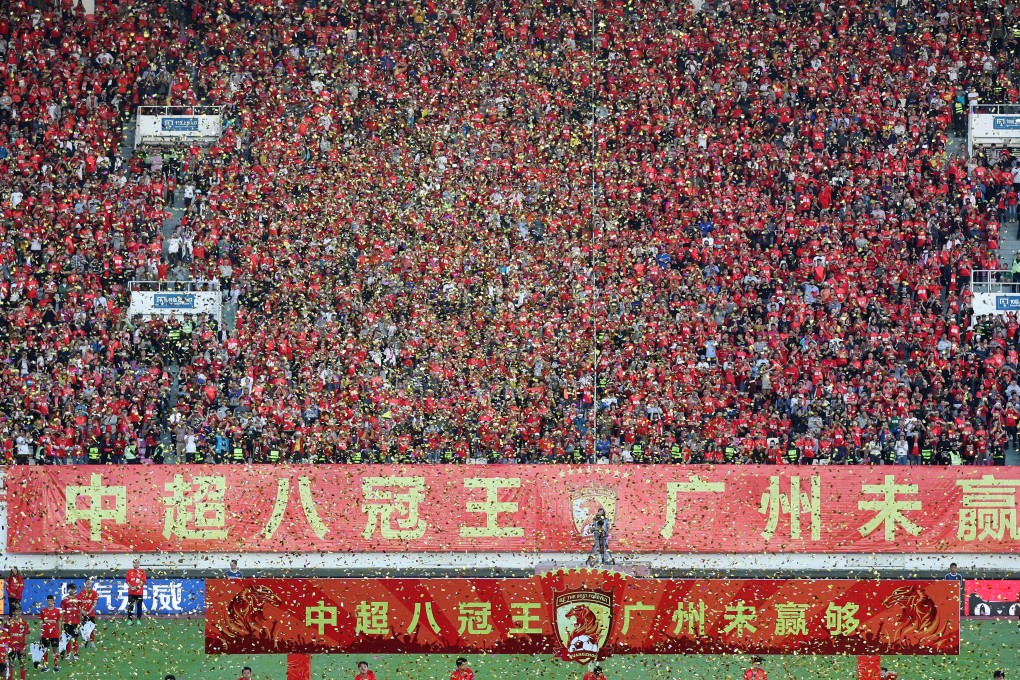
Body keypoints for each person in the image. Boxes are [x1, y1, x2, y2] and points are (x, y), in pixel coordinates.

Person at [39, 595, 61, 673]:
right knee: (45, 650)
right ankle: (45, 666)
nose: (49, 602)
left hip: (54, 634)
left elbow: (59, 622)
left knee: (55, 650)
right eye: (48, 600)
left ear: (54, 601)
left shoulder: (57, 611)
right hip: (45, 634)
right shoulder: (43, 611)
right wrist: (40, 632)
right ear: (47, 601)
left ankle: (56, 666)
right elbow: (41, 622)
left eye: (51, 600)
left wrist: (60, 633)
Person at [61, 583, 83, 661]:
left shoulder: (78, 599)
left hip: (76, 622)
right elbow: (63, 611)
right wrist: (62, 621)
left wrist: (80, 621)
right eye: (70, 588)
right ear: (68, 589)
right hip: (67, 622)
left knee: (75, 638)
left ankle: (75, 653)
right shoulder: (64, 599)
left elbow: (80, 610)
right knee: (67, 639)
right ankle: (68, 653)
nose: (72, 590)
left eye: (73, 589)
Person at [7, 610, 29, 680]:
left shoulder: (24, 622)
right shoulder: (8, 622)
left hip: (21, 647)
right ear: (13, 612)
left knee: (22, 664)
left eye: (19, 611)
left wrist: (24, 646)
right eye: (16, 611)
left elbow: (25, 634)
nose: (18, 613)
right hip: (11, 647)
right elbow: (5, 635)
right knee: (10, 664)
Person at [78, 578, 99, 646]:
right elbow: (79, 604)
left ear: (91, 583)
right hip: (83, 614)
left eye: (90, 582)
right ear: (85, 583)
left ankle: (92, 641)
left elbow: (94, 603)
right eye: (87, 582)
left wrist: (89, 611)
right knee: (83, 628)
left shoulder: (94, 593)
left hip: (91, 614)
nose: (88, 583)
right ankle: (84, 643)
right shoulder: (81, 593)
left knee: (92, 628)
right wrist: (83, 611)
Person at [126, 559, 147, 624]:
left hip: (139, 593)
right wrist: (131, 587)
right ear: (133, 564)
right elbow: (127, 581)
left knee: (139, 606)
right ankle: (130, 619)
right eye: (134, 563)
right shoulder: (129, 571)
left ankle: (138, 620)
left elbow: (143, 581)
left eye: (137, 563)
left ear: (139, 564)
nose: (136, 564)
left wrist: (137, 587)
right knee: (130, 606)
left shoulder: (142, 571)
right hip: (131, 592)